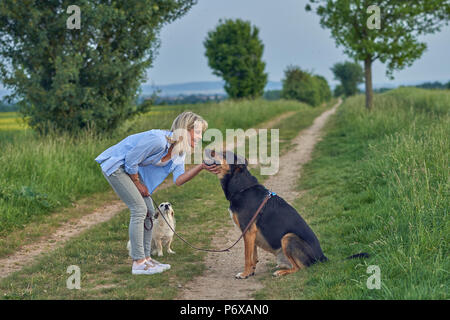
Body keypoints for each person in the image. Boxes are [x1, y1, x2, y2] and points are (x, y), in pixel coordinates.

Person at [95, 111, 220, 275]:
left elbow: (179, 180)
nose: (199, 137)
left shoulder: (179, 153)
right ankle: (138, 262)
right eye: (196, 132)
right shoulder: (158, 140)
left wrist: (201, 167)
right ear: (184, 129)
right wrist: (137, 183)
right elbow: (131, 159)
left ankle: (147, 259)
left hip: (131, 172)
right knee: (139, 209)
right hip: (116, 166)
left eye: (201, 133)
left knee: (149, 212)